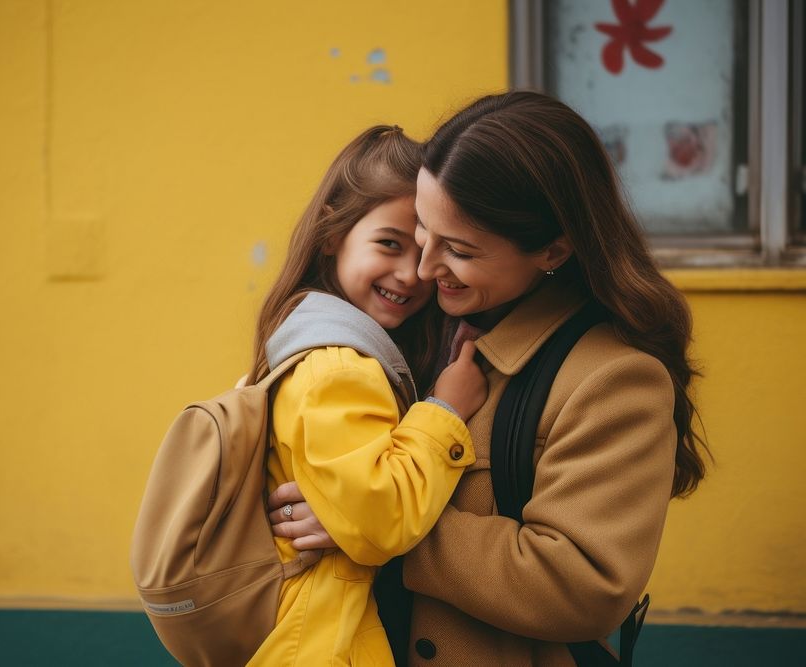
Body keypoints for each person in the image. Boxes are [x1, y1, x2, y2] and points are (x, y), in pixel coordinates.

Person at [269, 91, 709, 665]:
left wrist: (374, 526)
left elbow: (580, 587)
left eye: (459, 250)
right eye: (422, 228)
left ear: (552, 250)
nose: (425, 269)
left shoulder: (613, 380)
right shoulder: (417, 328)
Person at [244, 124, 489, 666]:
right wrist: (444, 411)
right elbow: (380, 519)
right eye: (389, 244)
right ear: (333, 234)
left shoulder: (316, 343)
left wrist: (343, 516)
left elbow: (359, 508)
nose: (412, 273)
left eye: (424, 250)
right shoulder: (337, 366)